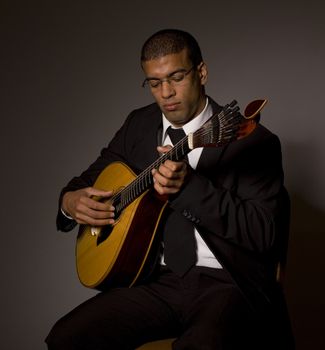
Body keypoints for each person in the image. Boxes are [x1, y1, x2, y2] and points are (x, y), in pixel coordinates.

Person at [46, 29, 294, 350]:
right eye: (154, 82)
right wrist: (70, 201)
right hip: (156, 281)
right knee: (66, 338)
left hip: (226, 285)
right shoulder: (140, 124)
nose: (166, 92)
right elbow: (88, 180)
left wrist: (189, 188)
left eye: (176, 77)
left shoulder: (254, 142)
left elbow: (263, 233)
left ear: (201, 72)